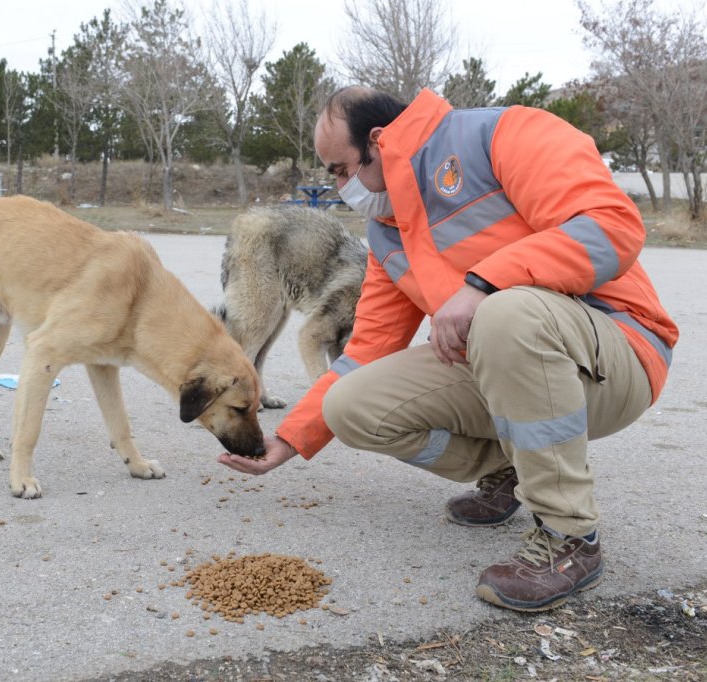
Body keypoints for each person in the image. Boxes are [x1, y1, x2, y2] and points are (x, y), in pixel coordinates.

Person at [218, 85, 678, 612]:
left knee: (505, 312)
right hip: (511, 365)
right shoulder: (388, 231)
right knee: (352, 406)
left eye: (342, 170)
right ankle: (512, 468)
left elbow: (612, 227)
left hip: (617, 351)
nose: (341, 188)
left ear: (378, 142)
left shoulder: (501, 134)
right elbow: (365, 350)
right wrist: (290, 439)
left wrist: (483, 283)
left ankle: (569, 536)